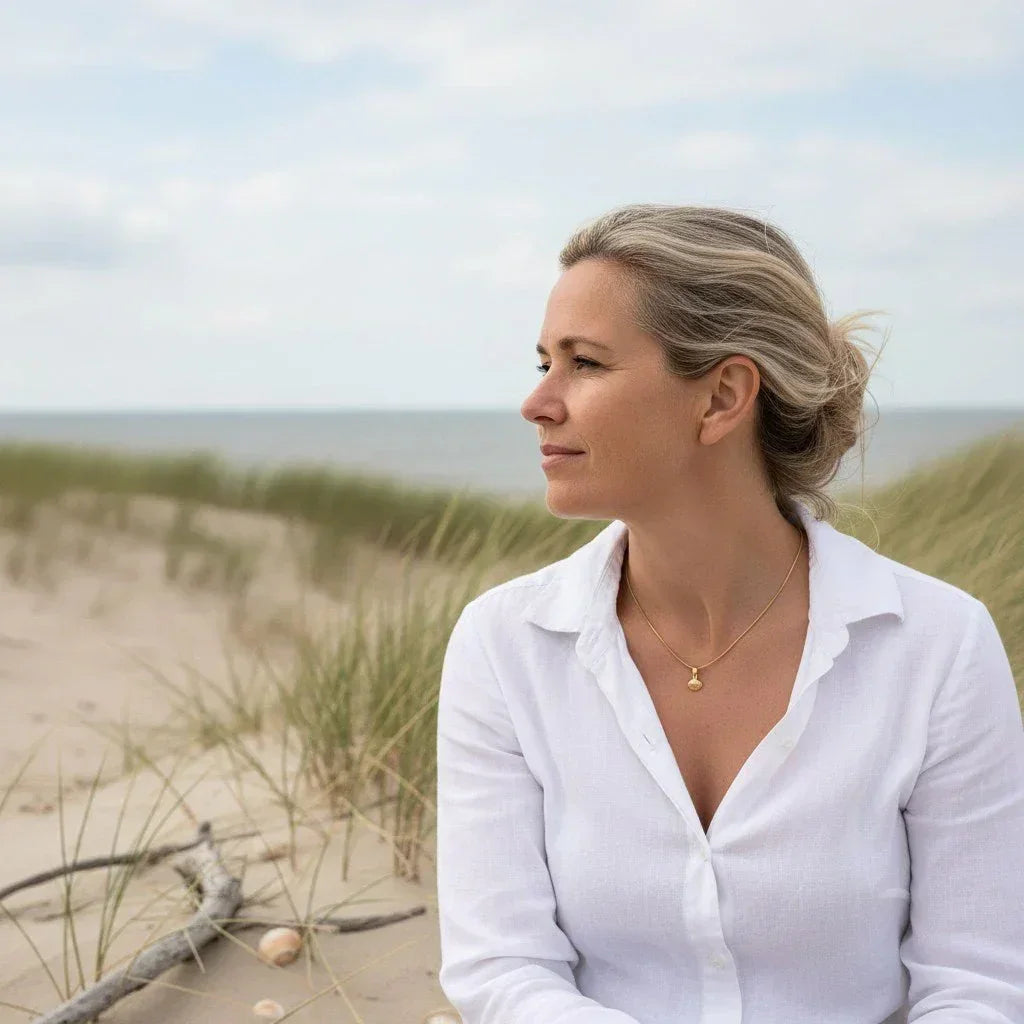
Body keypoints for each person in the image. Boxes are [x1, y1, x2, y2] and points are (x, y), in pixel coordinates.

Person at [434, 204, 1024, 1023]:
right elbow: (502, 971)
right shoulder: (505, 645)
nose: (538, 402)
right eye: (544, 362)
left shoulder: (938, 646)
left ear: (721, 397)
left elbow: (978, 986)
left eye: (586, 364)